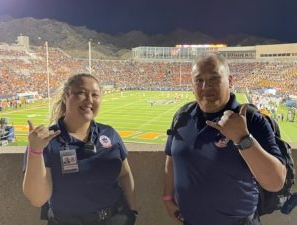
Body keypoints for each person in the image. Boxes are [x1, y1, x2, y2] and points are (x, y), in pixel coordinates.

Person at [163, 53, 286, 225]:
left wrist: (243, 138)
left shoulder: (251, 120)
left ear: (230, 80)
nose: (206, 86)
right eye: (199, 80)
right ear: (192, 84)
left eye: (214, 78)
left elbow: (276, 182)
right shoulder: (182, 116)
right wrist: (168, 197)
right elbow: (171, 157)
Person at [23, 73, 137, 225]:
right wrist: (35, 151)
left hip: (115, 218)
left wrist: (133, 210)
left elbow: (124, 174)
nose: (89, 100)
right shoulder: (47, 141)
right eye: (81, 93)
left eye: (95, 95)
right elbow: (37, 199)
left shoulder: (109, 133)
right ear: (65, 97)